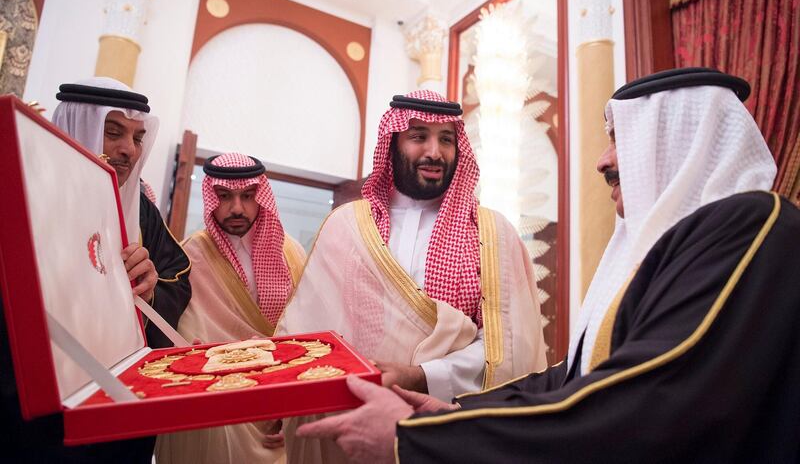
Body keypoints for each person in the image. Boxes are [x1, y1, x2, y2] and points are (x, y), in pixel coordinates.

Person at [296, 68, 800, 463]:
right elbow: (569, 376)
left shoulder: (752, 222)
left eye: (619, 139)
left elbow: (650, 393)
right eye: (418, 137)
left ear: (680, 141)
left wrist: (424, 436)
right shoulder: (672, 241)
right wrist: (451, 413)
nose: (602, 161)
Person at [276, 90, 547, 463]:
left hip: (445, 429)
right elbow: (303, 335)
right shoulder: (347, 226)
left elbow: (511, 350)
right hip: (348, 422)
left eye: (446, 139)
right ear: (394, 143)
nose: (434, 152)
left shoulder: (493, 234)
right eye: (419, 136)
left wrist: (422, 375)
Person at [155, 152, 305, 464]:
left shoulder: (291, 252)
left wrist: (290, 408)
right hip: (220, 408)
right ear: (211, 197)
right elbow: (189, 342)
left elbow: (306, 336)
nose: (236, 208)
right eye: (225, 196)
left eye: (248, 196)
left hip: (281, 401)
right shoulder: (189, 257)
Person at [52, 77, 192, 349]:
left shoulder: (141, 212)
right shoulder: (29, 197)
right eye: (113, 133)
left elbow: (176, 278)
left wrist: (149, 290)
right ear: (77, 129)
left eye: (138, 138)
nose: (129, 149)